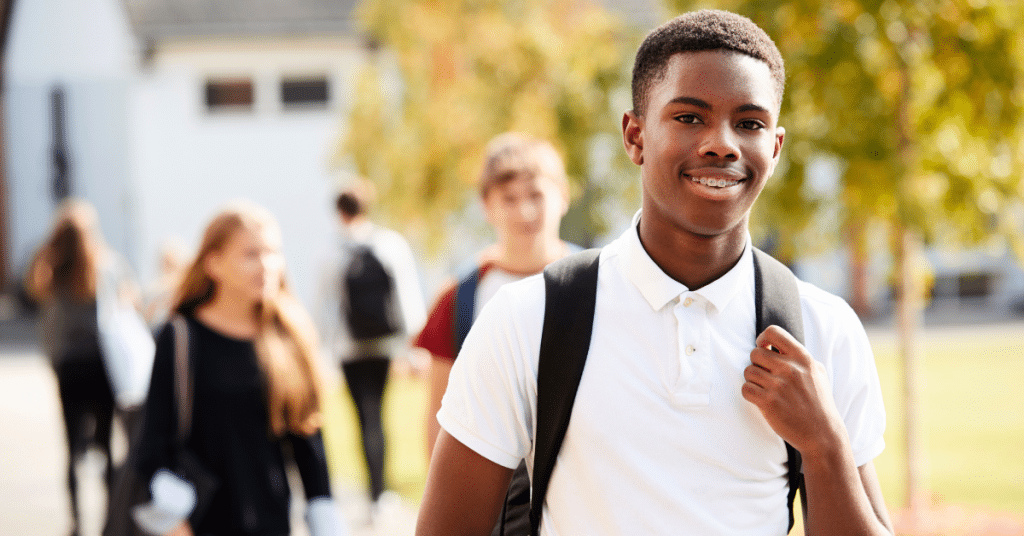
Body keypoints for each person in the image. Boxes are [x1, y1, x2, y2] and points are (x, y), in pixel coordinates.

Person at [417, 10, 894, 536]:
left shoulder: (824, 329)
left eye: (749, 123)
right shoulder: (527, 320)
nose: (722, 143)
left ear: (775, 148)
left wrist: (825, 444)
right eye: (690, 117)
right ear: (635, 135)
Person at [134, 200, 346, 536]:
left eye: (273, 252)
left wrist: (326, 521)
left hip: (272, 525)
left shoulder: (287, 335)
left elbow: (309, 444)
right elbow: (152, 445)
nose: (267, 265)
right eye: (251, 254)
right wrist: (174, 523)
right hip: (199, 524)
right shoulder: (180, 337)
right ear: (213, 263)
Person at [414, 132, 575, 455]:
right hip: (495, 486)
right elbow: (440, 411)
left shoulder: (600, 282)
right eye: (509, 199)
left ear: (563, 196)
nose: (525, 211)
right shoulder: (460, 297)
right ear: (486, 207)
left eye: (535, 195)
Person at [26, 198, 139, 536]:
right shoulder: (107, 262)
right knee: (106, 445)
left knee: (72, 447)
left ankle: (76, 521)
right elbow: (131, 297)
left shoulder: (53, 265)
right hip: (102, 364)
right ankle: (109, 518)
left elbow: (32, 289)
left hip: (68, 365)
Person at [315, 184, 426, 512]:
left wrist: (320, 352)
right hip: (383, 345)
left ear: (339, 211)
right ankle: (382, 491)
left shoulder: (330, 251)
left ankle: (372, 493)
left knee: (362, 417)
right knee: (380, 413)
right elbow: (407, 296)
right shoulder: (390, 244)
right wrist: (413, 346)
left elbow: (323, 304)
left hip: (349, 348)